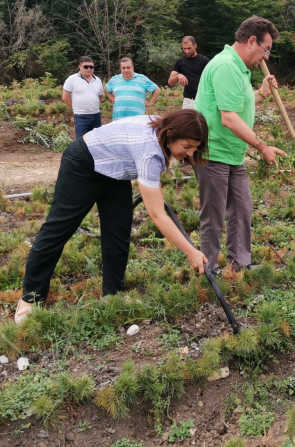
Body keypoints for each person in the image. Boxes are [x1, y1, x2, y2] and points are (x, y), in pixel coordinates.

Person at [15, 109, 209, 323]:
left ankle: (112, 294)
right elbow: (156, 214)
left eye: (195, 148)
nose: (191, 154)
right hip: (84, 163)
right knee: (58, 229)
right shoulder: (149, 151)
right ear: (171, 134)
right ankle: (30, 298)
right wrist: (191, 252)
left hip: (116, 169)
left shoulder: (163, 129)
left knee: (118, 230)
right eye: (187, 147)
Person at [194, 16, 286, 272]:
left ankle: (238, 265)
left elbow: (237, 104)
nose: (266, 57)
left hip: (233, 154)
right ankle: (208, 271)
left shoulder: (239, 69)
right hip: (214, 153)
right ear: (252, 41)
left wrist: (261, 93)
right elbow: (229, 118)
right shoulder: (226, 66)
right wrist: (262, 145)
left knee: (242, 210)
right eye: (266, 50)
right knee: (213, 217)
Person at [62, 56, 104, 138]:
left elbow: (100, 97)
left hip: (96, 116)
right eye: (86, 67)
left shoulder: (98, 80)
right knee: (81, 142)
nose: (89, 69)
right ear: (80, 67)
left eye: (91, 67)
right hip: (81, 116)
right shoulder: (72, 79)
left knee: (97, 140)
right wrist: (76, 109)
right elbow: (65, 98)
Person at [168, 36, 210, 110]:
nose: (187, 51)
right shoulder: (180, 62)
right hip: (189, 101)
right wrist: (178, 76)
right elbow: (170, 82)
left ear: (195, 46)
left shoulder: (204, 60)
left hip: (204, 99)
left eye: (189, 48)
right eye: (184, 48)